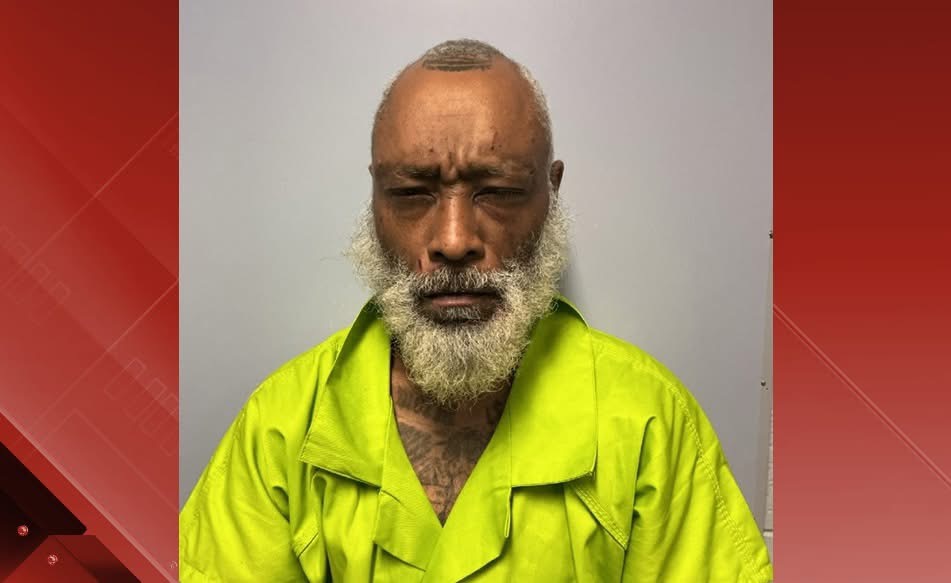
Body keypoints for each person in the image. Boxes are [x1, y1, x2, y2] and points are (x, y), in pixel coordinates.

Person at [179, 39, 773, 582]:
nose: (454, 239)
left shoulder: (647, 426)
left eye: (499, 191)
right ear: (376, 197)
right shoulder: (282, 429)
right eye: (411, 194)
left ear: (551, 192)